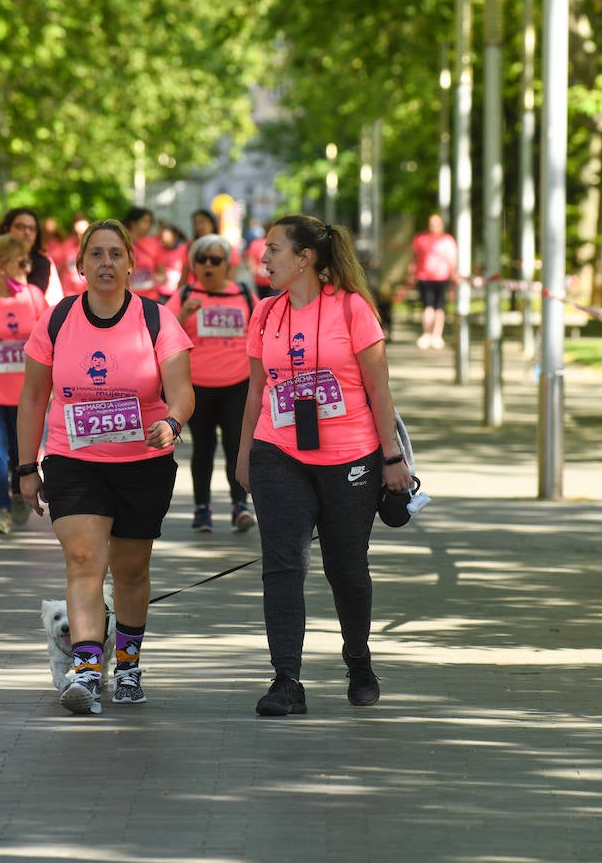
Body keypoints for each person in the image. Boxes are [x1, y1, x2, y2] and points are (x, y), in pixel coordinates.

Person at [17, 218, 194, 715]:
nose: (106, 263)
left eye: (116, 254)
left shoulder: (157, 320)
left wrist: (174, 422)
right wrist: (26, 467)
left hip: (144, 461)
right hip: (75, 460)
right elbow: (33, 396)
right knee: (84, 560)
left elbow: (181, 391)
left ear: (132, 265)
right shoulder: (57, 320)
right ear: (80, 265)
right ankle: (89, 670)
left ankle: (129, 664)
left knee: (131, 570)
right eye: (96, 254)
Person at [235, 215, 409, 717]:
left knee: (347, 569)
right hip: (278, 452)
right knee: (283, 564)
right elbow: (255, 390)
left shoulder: (353, 310)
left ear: (305, 257)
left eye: (273, 250)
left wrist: (391, 457)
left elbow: (379, 389)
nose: (263, 258)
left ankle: (358, 660)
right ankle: (286, 678)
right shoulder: (265, 314)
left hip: (350, 457)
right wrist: (245, 451)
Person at [0, 233, 49, 535]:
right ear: (2, 266)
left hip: (28, 393)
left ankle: (18, 494)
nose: (28, 267)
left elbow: (51, 338)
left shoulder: (32, 297)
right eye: (22, 262)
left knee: (21, 453)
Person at [177, 234, 257, 534]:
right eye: (202, 259)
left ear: (227, 265)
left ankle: (240, 506)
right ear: (194, 264)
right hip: (197, 386)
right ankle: (202, 509)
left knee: (237, 445)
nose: (208, 265)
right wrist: (184, 314)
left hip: (238, 384)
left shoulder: (245, 294)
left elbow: (264, 331)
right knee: (203, 448)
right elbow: (165, 333)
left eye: (216, 260)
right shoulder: (185, 294)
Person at [0, 207, 61, 305]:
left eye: (32, 229)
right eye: (20, 227)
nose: (27, 232)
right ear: (6, 229)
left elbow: (33, 296)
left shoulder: (41, 263)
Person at [409, 213, 457, 350]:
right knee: (428, 306)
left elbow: (452, 260)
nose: (433, 226)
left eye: (436, 223)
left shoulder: (448, 240)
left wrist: (453, 276)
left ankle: (437, 335)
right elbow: (413, 257)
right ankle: (427, 334)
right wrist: (411, 273)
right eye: (431, 223)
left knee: (440, 307)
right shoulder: (420, 239)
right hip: (424, 277)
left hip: (442, 278)